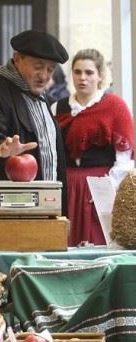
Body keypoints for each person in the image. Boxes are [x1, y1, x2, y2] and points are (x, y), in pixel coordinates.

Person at [0, 30, 69, 217]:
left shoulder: (44, 99)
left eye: (50, 69)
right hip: (9, 213)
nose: (44, 76)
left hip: (47, 208)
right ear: (17, 59)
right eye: (38, 66)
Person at [52, 49, 134, 246]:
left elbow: (124, 157)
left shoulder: (115, 106)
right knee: (66, 241)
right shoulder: (57, 108)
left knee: (98, 240)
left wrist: (109, 188)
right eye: (77, 72)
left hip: (102, 185)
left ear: (99, 76)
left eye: (89, 73)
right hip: (69, 185)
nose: (83, 78)